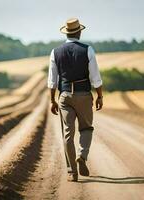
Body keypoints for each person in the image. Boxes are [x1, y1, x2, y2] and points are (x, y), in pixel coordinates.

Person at [47, 18, 103, 182]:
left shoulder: (55, 52)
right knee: (86, 128)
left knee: (67, 134)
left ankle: (72, 172)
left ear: (66, 32)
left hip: (65, 96)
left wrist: (52, 100)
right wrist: (100, 96)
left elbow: (52, 81)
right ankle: (82, 156)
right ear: (79, 32)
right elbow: (96, 78)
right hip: (84, 95)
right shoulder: (88, 50)